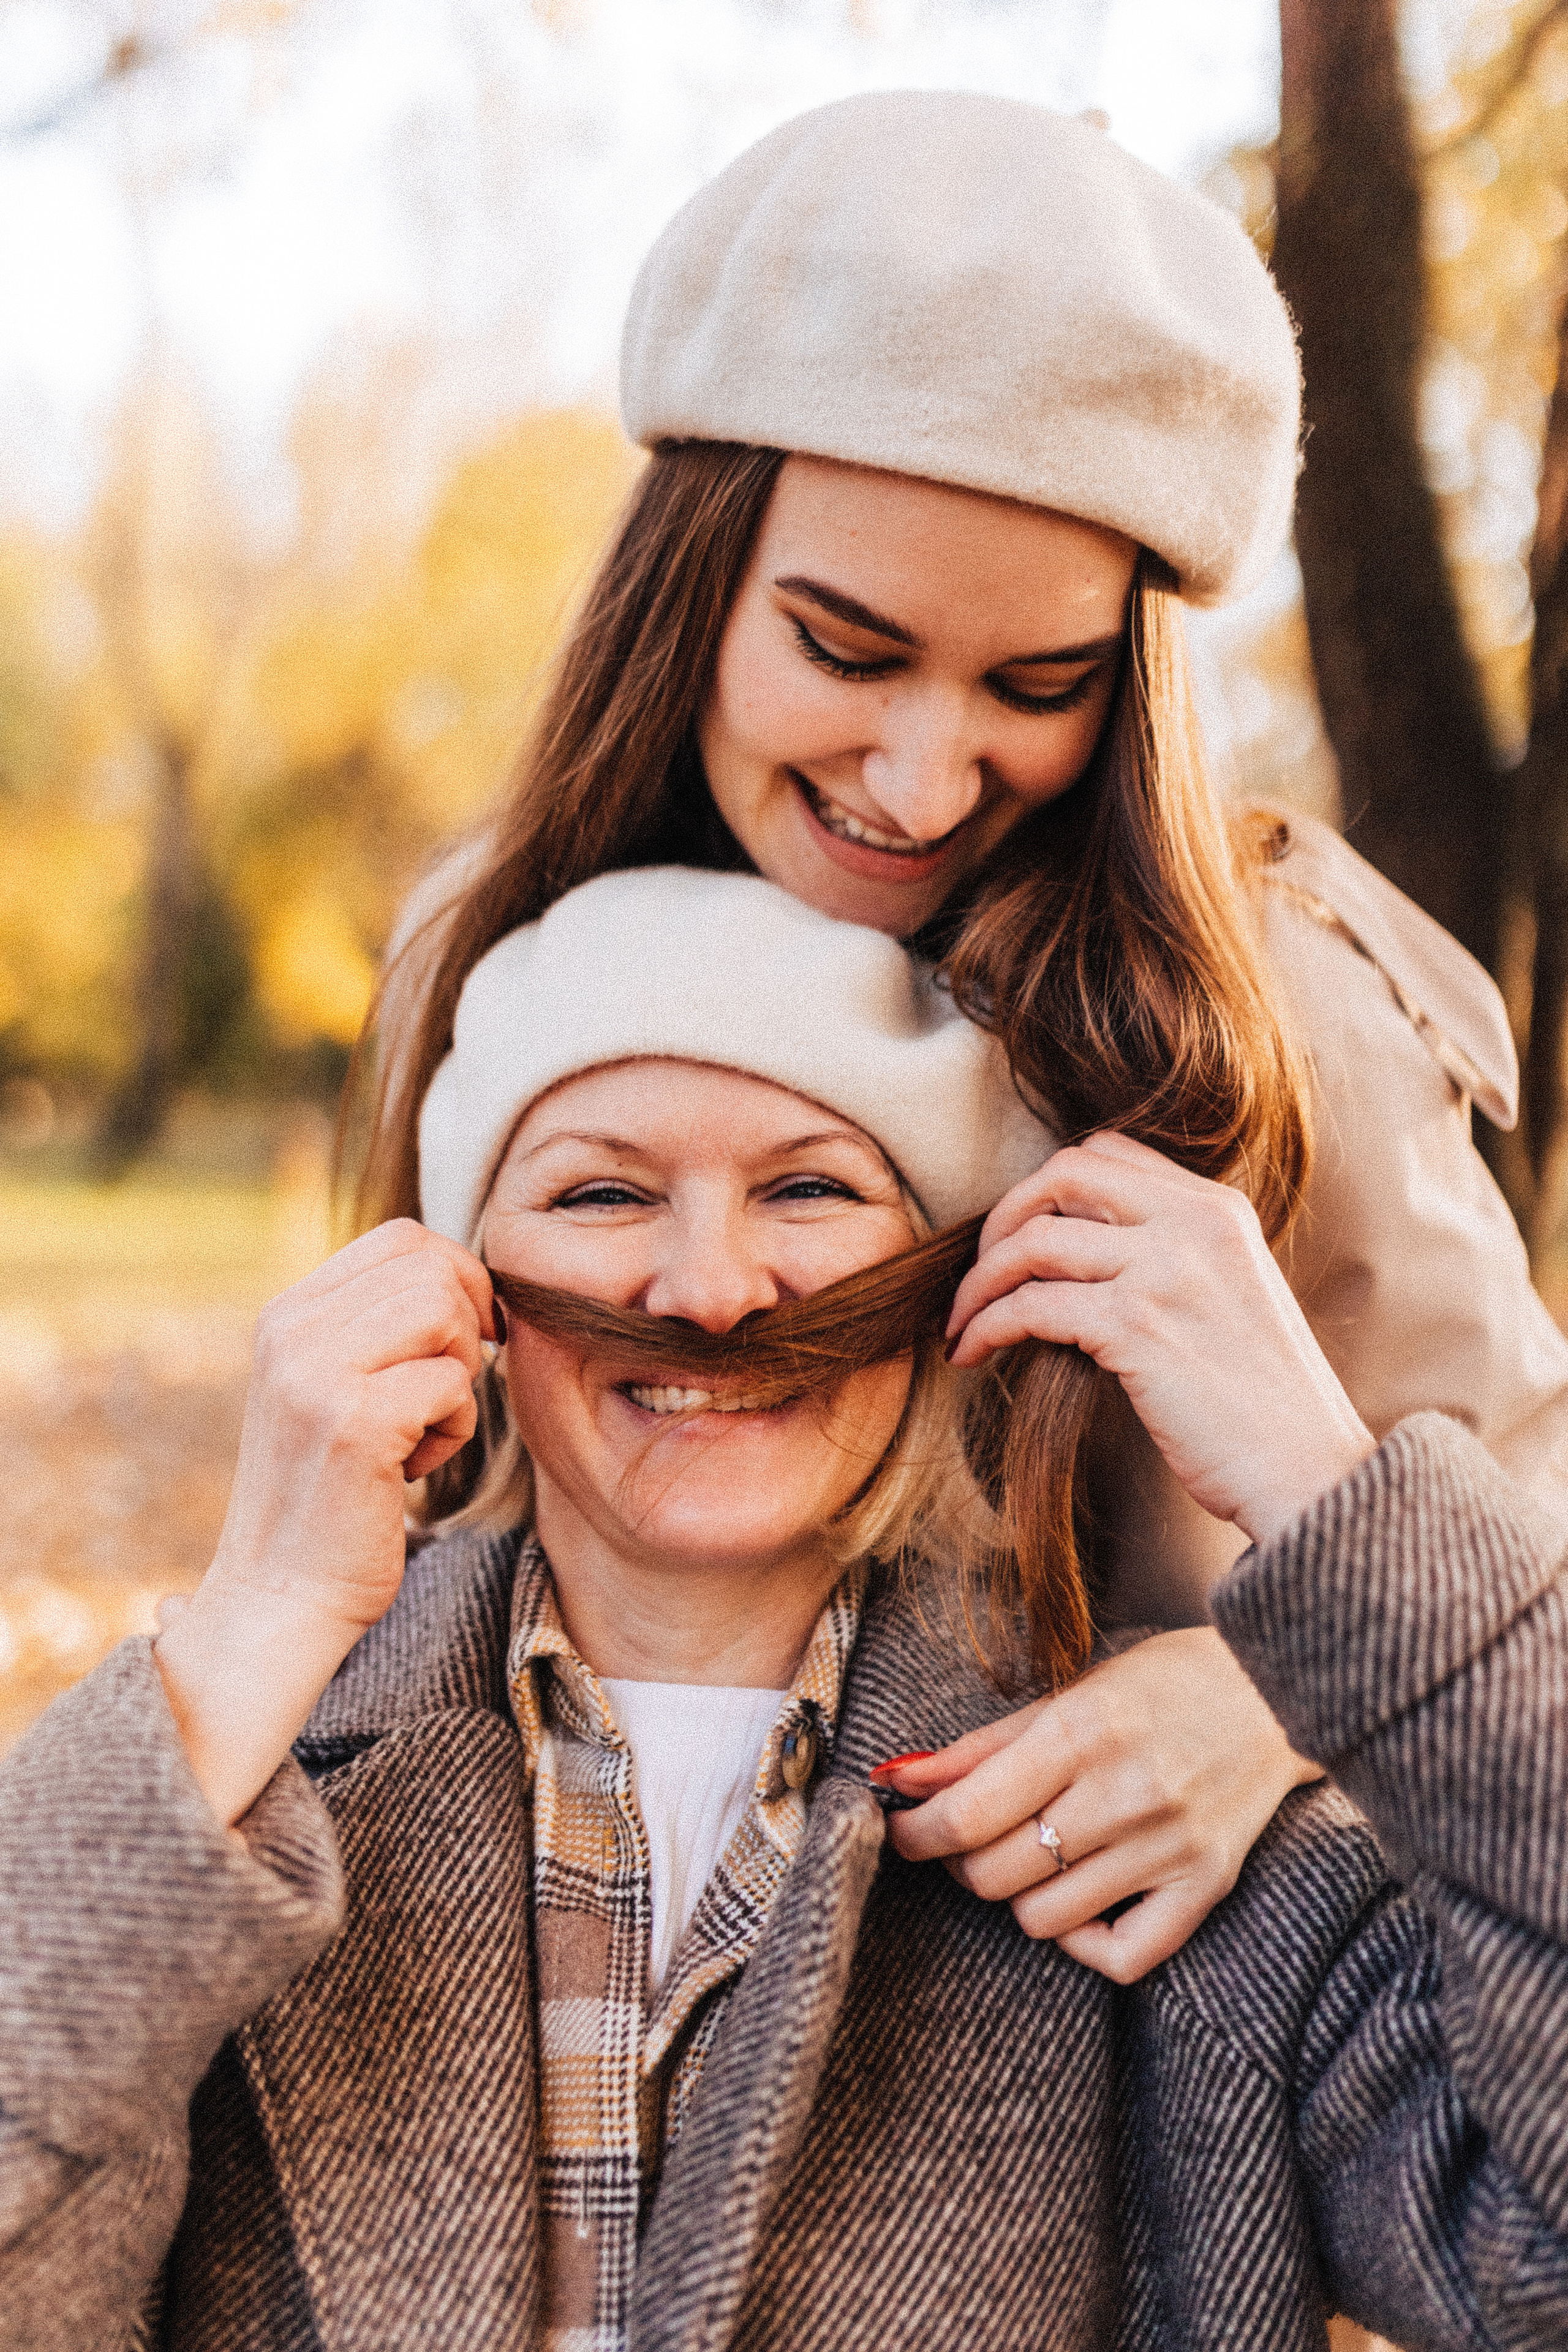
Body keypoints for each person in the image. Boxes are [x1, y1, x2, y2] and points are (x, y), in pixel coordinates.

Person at [4, 866, 1565, 2352]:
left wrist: (1324, 1497)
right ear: (463, 1288)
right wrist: (254, 1626)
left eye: (810, 1188)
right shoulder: (232, 1808)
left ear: (952, 1279)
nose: (711, 1289)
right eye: (603, 1194)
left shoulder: (1170, 1842)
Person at [363, 90, 1568, 1978]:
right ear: (688, 590)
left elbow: (1533, 1504)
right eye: (845, 649)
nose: (925, 784)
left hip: (1151, 2076)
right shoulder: (479, 949)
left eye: (1040, 685)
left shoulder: (1264, 1006)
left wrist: (1266, 1705)